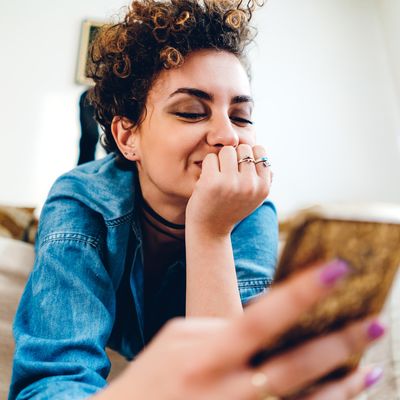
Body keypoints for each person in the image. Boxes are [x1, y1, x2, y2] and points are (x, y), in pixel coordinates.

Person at [9, 1, 385, 399]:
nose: (228, 136)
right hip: (106, 187)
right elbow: (52, 381)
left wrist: (212, 231)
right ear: (127, 135)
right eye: (191, 111)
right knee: (83, 169)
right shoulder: (79, 201)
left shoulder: (252, 207)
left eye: (241, 117)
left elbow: (236, 380)